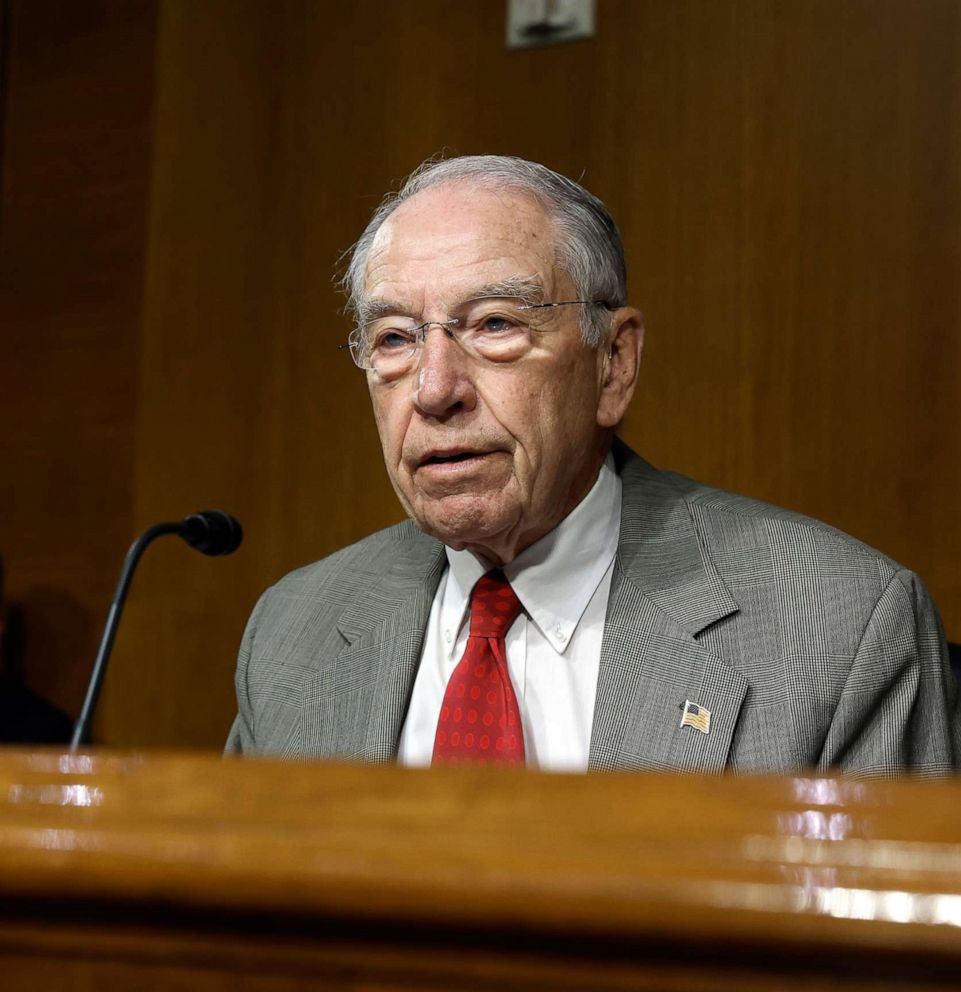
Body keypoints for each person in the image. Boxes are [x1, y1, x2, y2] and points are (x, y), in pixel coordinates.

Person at [227, 154, 959, 774]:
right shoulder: (294, 631)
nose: (433, 389)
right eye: (393, 338)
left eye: (494, 326)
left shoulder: (837, 625)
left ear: (613, 363)